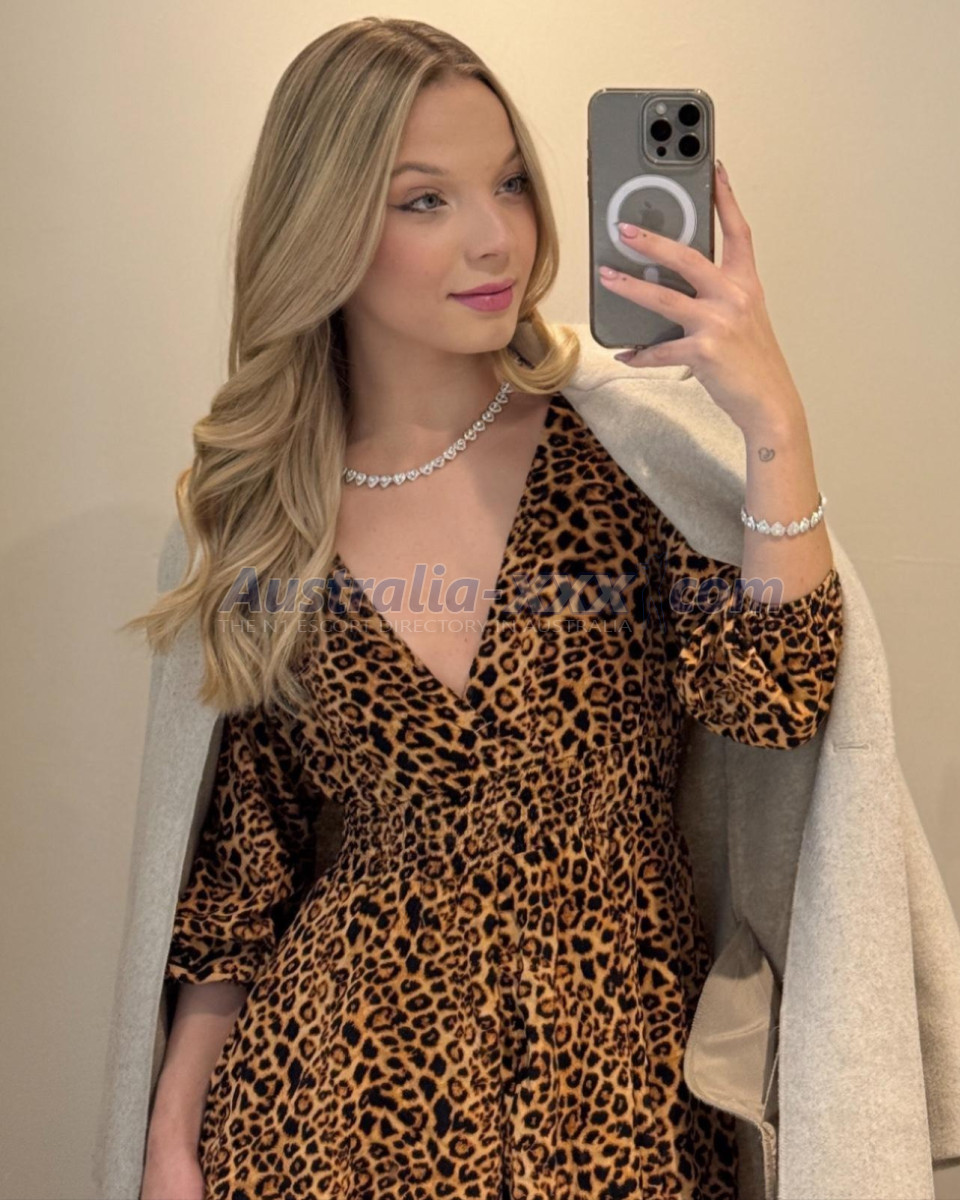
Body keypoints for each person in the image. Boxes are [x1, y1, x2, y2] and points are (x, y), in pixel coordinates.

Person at [129, 17, 846, 1200]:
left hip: (617, 1105)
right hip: (325, 1118)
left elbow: (774, 700)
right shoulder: (265, 510)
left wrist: (772, 421)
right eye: (425, 200)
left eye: (510, 183)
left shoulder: (629, 454)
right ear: (324, 224)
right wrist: (169, 1145)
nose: (494, 236)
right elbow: (239, 874)